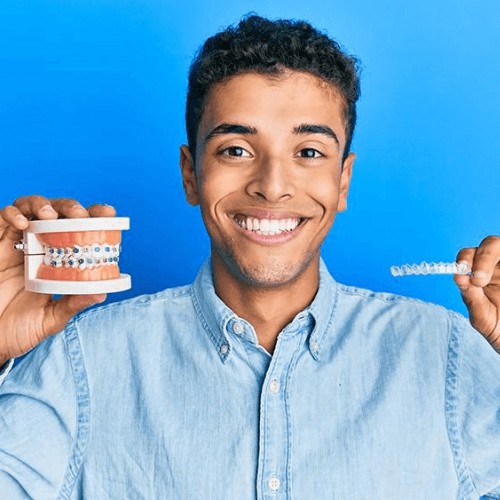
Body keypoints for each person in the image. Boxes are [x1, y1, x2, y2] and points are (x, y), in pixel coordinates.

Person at [0, 14, 499, 499]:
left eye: (308, 152)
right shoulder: (83, 361)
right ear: (190, 174)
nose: (272, 187)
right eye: (236, 149)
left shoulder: (450, 356)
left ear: (342, 181)